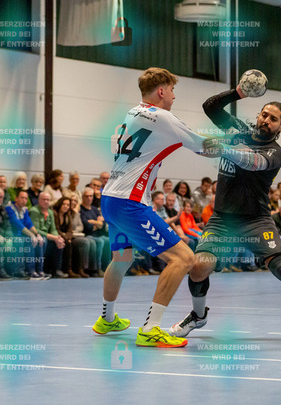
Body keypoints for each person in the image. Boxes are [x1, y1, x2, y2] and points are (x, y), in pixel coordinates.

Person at [169, 83, 281, 343]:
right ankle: (198, 316)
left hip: (255, 220)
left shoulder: (276, 152)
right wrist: (239, 93)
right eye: (264, 114)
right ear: (258, 116)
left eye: (273, 119)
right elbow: (210, 107)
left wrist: (223, 149)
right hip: (222, 220)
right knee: (199, 267)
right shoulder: (237, 131)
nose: (266, 120)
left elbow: (254, 162)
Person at [92, 67, 218, 348]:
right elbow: (204, 146)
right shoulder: (163, 117)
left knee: (121, 259)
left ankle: (107, 318)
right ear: (161, 91)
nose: (174, 96)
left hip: (110, 198)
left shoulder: (132, 113)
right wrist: (238, 146)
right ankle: (150, 329)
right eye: (172, 91)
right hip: (130, 202)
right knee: (183, 258)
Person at [5, 190, 45, 279]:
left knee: (41, 240)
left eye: (26, 198)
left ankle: (39, 270)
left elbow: (29, 223)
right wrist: (31, 235)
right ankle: (29, 270)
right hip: (12, 234)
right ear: (16, 198)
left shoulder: (25, 209)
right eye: (22, 198)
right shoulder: (9, 208)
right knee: (28, 240)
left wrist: (37, 234)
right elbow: (17, 224)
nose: (24, 200)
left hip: (22, 234)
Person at [30, 192, 66, 278]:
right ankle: (40, 269)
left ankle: (56, 270)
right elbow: (35, 229)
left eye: (48, 200)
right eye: (43, 199)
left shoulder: (50, 212)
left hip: (47, 236)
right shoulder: (34, 210)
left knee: (61, 242)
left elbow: (53, 229)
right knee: (43, 240)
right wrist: (53, 237)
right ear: (39, 200)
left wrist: (57, 238)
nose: (46, 201)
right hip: (36, 235)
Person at [53, 196, 87, 278]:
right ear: (60, 204)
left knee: (77, 243)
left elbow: (70, 229)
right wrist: (66, 238)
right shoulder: (54, 213)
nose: (66, 206)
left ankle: (79, 269)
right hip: (56, 235)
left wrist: (68, 238)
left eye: (68, 205)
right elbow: (56, 229)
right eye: (64, 204)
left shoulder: (67, 214)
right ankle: (68, 270)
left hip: (66, 237)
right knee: (68, 244)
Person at [80, 187, 110, 275]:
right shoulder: (81, 210)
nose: (89, 198)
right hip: (87, 234)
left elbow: (103, 224)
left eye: (91, 196)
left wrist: (93, 222)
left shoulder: (94, 209)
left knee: (108, 240)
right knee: (99, 241)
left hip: (97, 234)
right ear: (82, 197)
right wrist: (98, 223)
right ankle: (96, 268)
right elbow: (87, 226)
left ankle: (107, 267)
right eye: (86, 196)